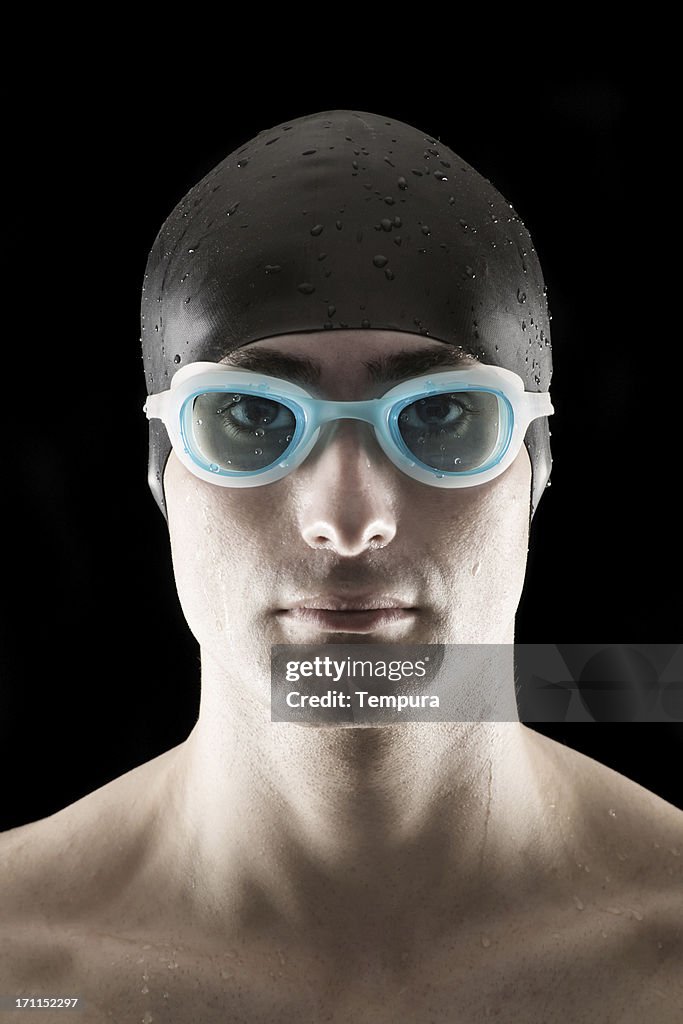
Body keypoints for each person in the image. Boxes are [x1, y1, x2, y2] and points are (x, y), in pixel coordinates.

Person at [1, 110, 681, 1023]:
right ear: (163, 473)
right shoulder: (19, 960)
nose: (346, 519)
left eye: (442, 417)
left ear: (536, 470)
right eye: (250, 417)